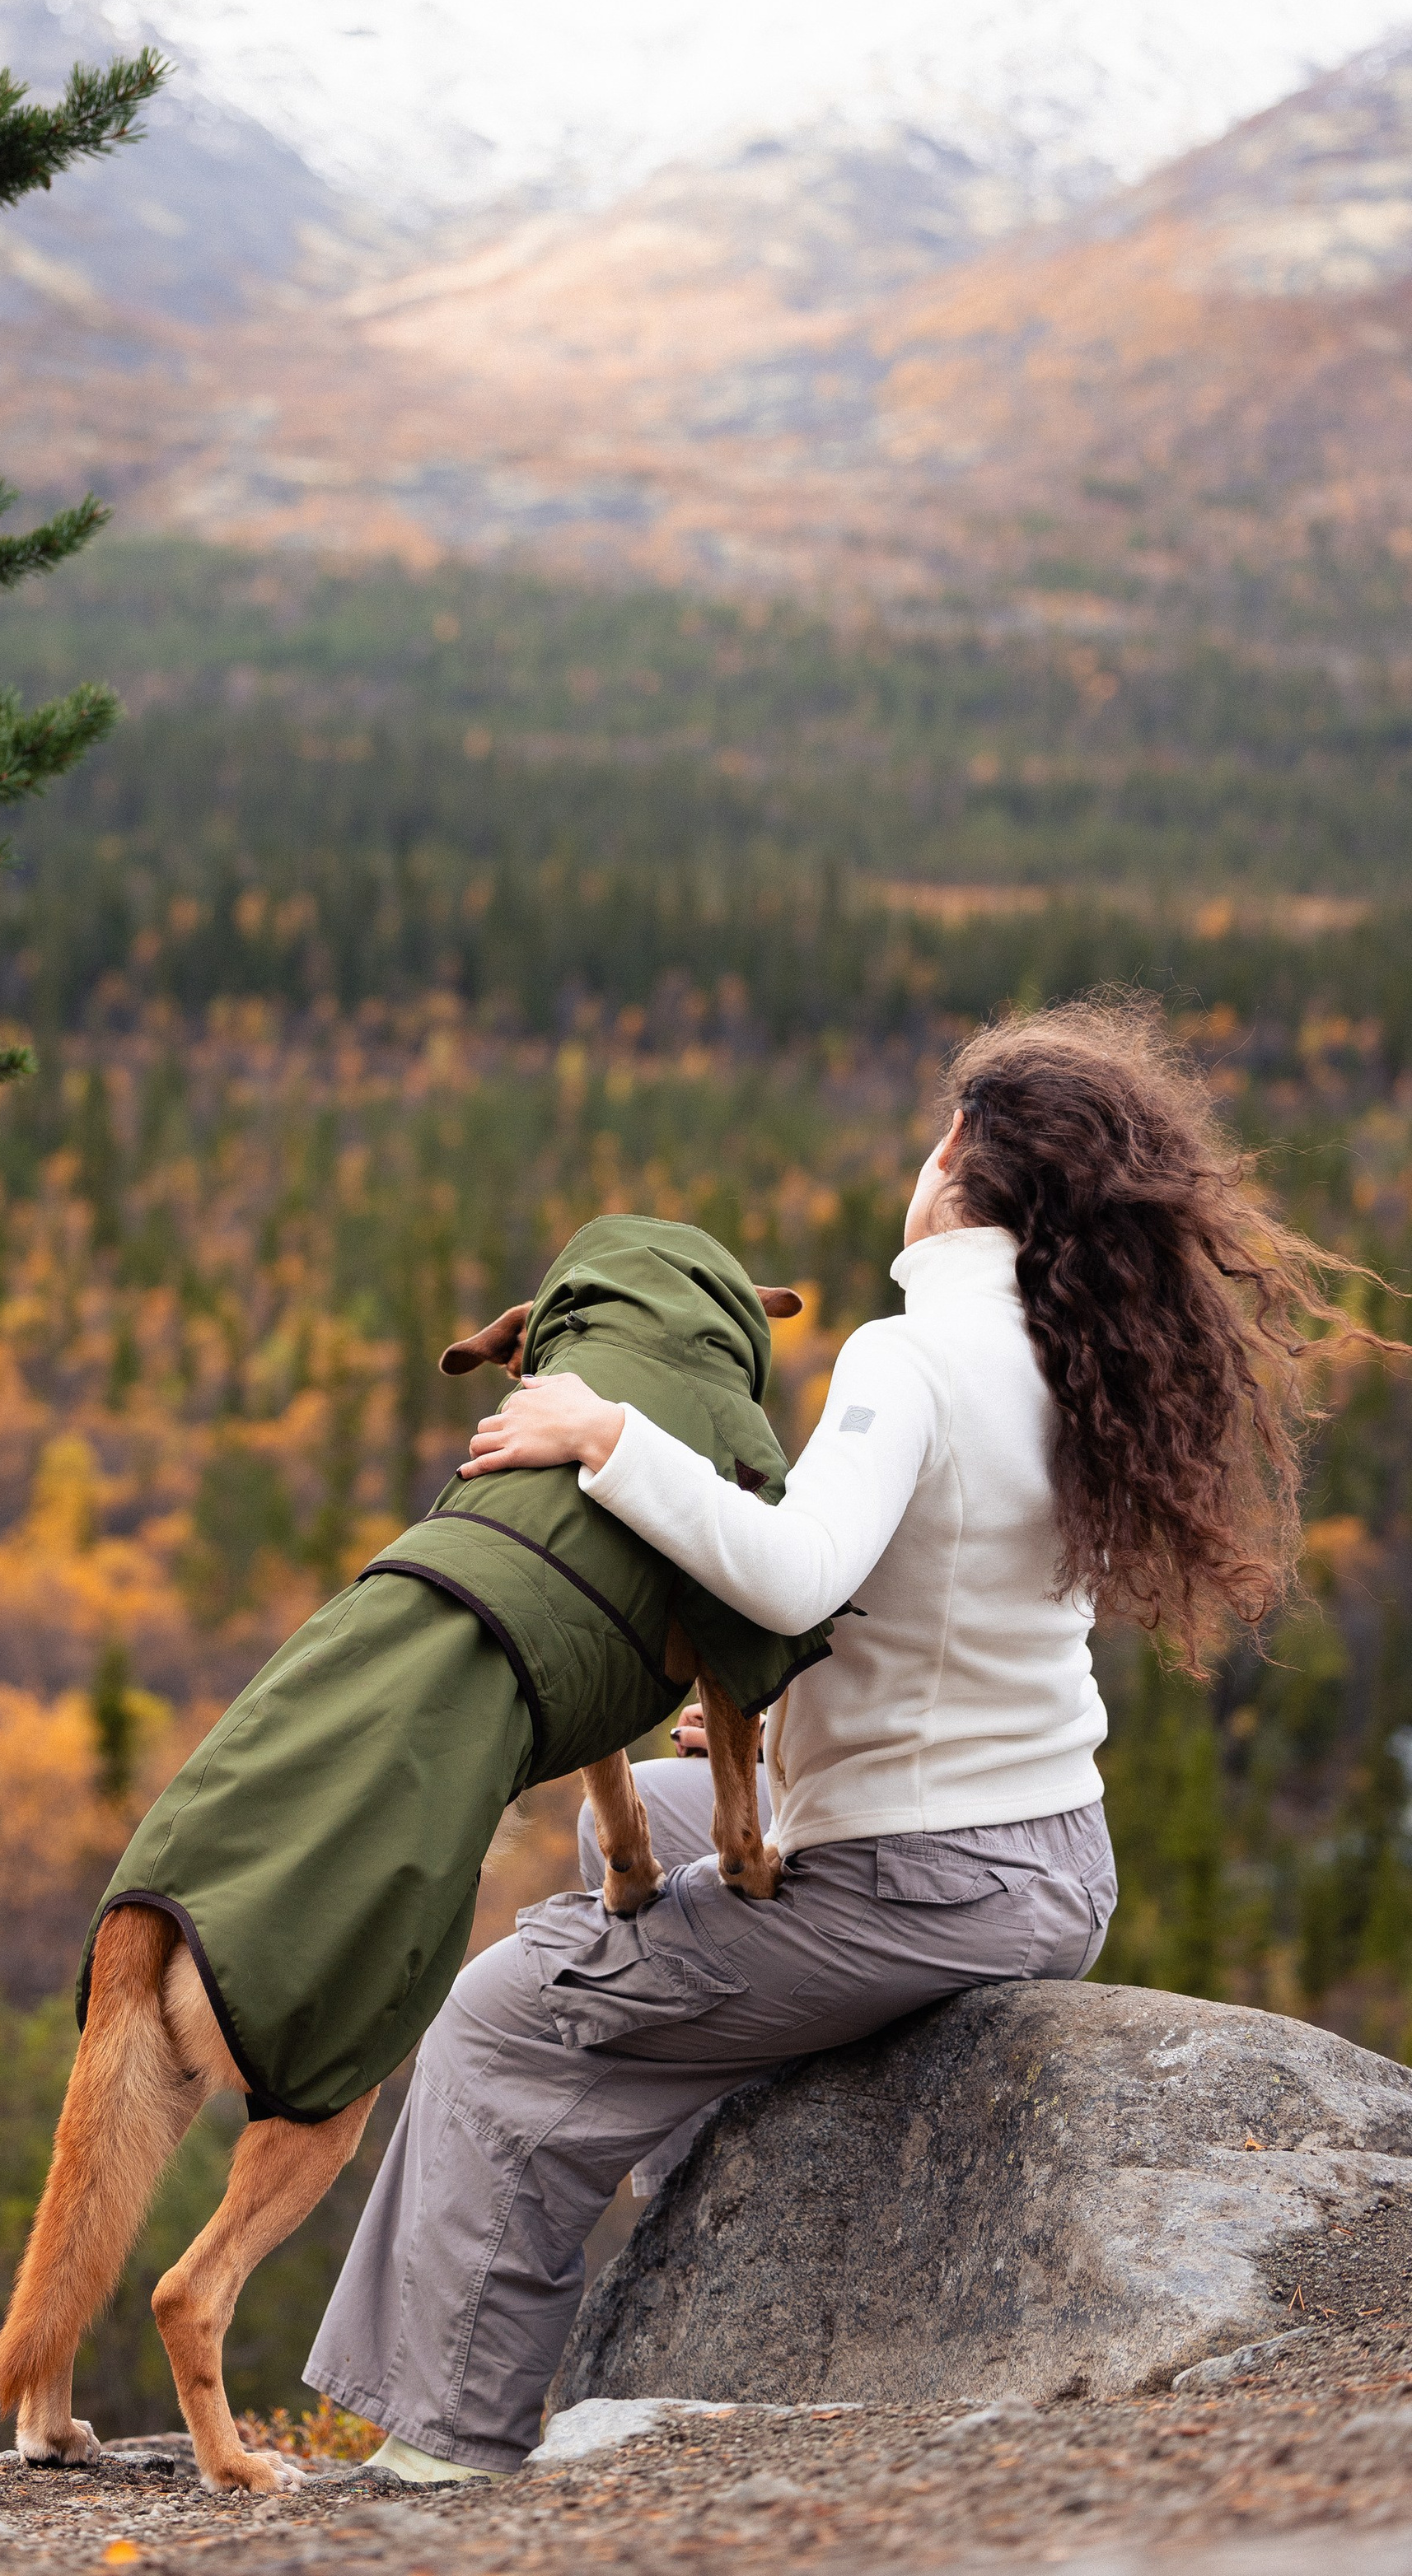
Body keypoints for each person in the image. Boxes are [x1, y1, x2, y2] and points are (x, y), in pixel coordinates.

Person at [306, 996, 1369, 2480]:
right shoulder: (1077, 1343)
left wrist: (606, 1436)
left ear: (957, 1161)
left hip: (924, 1878)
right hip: (1043, 1849)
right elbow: (940, 1606)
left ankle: (444, 2451)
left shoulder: (912, 1349)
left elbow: (800, 1574)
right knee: (655, 1826)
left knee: (501, 2012)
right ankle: (708, 2184)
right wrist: (782, 1722)